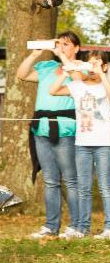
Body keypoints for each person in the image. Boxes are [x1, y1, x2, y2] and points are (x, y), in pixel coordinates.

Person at [16, 31, 81, 238]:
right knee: (51, 180)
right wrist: (35, 54)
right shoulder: (47, 68)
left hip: (66, 131)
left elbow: (78, 81)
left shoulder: (81, 68)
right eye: (60, 44)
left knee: (70, 180)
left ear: (77, 48)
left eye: (67, 45)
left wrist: (62, 56)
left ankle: (77, 225)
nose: (62, 47)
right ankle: (51, 226)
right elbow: (22, 75)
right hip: (41, 130)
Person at [49, 50, 110, 239]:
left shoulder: (105, 85)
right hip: (82, 143)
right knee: (83, 187)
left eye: (97, 63)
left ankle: (109, 227)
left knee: (105, 187)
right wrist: (67, 71)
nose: (92, 67)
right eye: (90, 63)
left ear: (105, 66)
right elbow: (53, 91)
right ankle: (83, 227)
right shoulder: (77, 86)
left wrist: (101, 73)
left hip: (104, 143)